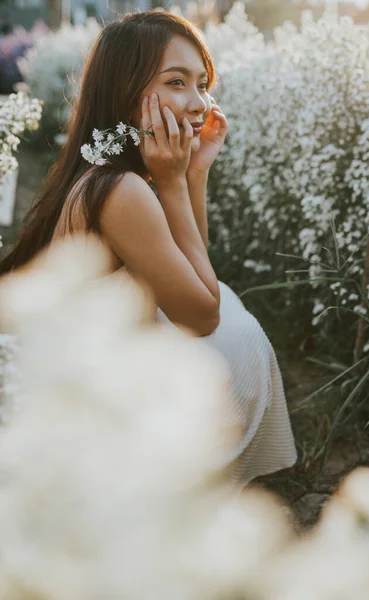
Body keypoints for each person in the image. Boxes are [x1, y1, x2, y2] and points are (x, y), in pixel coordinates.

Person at [0, 9, 296, 488]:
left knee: (230, 312)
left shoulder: (110, 172)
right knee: (232, 332)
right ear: (126, 91)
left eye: (203, 82)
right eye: (177, 82)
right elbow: (201, 315)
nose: (200, 102)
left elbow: (195, 270)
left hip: (95, 376)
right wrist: (174, 183)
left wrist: (192, 174)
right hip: (82, 415)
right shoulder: (120, 190)